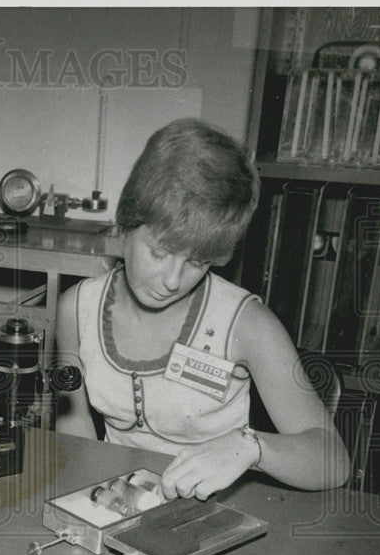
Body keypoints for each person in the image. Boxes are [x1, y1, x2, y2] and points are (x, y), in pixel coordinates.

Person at [55, 118, 350, 500]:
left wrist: (252, 446)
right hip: (118, 503)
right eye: (159, 252)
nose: (173, 280)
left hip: (213, 507)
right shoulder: (74, 310)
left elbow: (333, 460)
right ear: (124, 227)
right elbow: (76, 427)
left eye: (197, 261)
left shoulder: (249, 324)